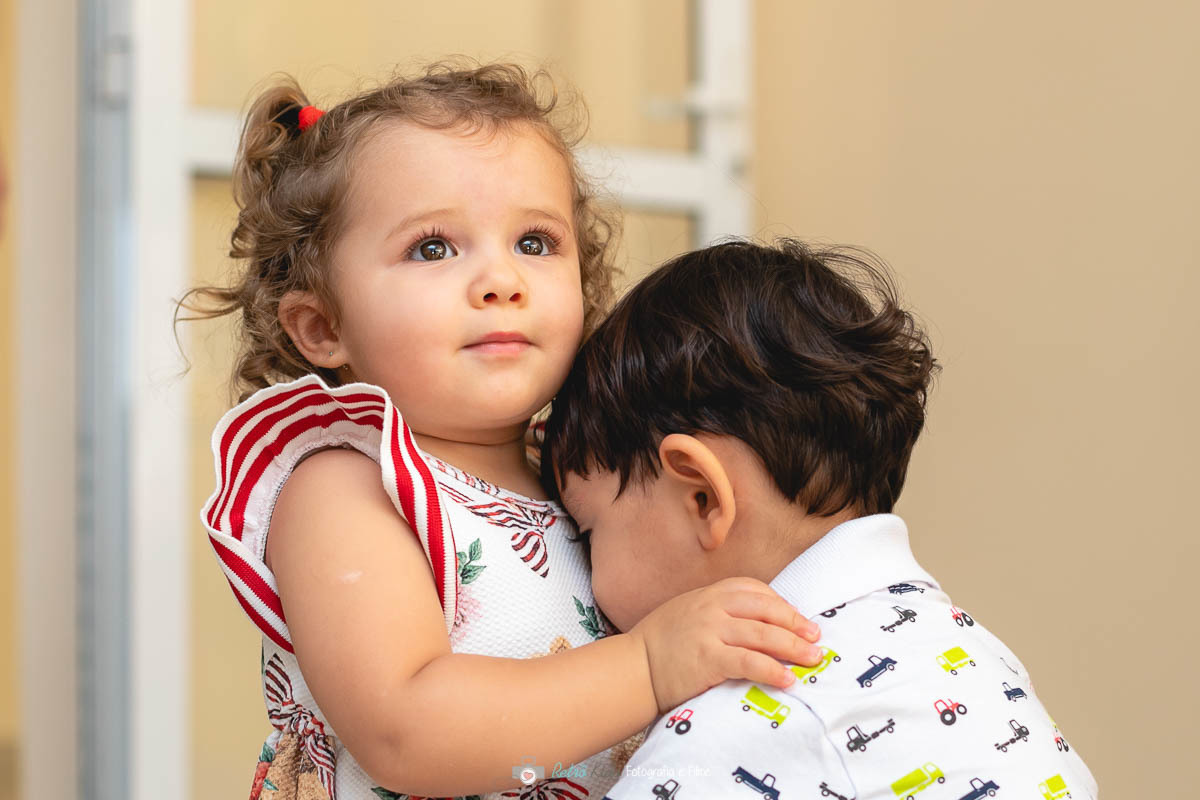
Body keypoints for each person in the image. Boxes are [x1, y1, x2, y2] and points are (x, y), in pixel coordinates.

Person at [184, 64, 824, 800]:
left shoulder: (583, 480)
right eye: (433, 248)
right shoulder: (346, 485)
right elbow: (404, 733)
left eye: (535, 243)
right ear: (323, 326)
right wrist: (651, 664)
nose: (502, 281)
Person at [544, 239, 1099, 799]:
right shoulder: (984, 659)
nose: (585, 571)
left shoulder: (743, 717)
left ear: (703, 498)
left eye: (587, 532)